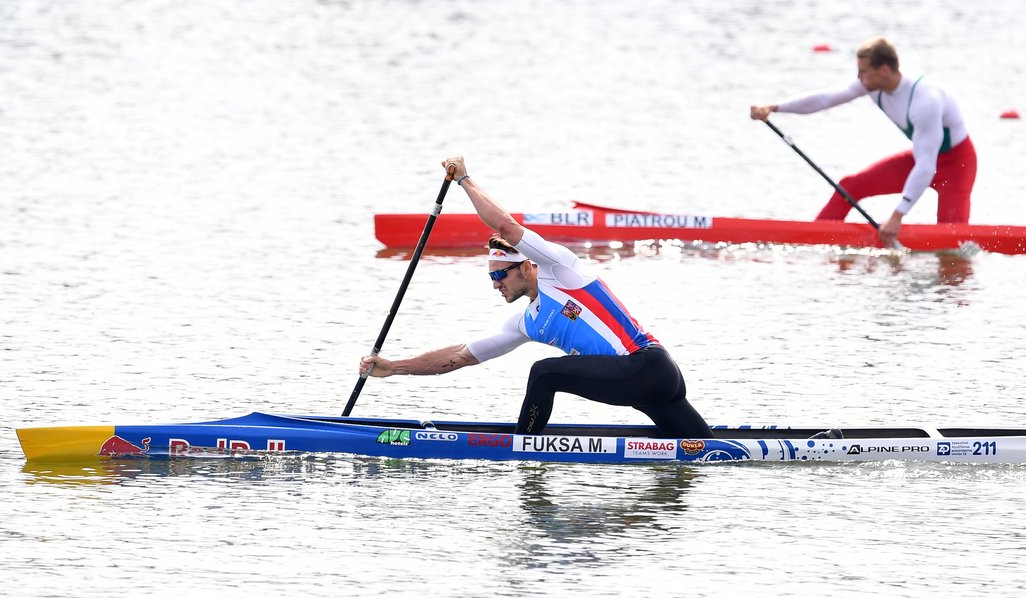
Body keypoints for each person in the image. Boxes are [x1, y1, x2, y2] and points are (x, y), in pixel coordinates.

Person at [358, 157, 713, 439]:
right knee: (709, 451)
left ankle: (524, 448)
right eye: (491, 278)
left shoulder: (559, 270)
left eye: (501, 274)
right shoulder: (525, 322)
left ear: (526, 266)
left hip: (646, 365)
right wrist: (395, 368)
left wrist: (464, 179)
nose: (496, 284)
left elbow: (507, 227)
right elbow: (460, 356)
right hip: (647, 386)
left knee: (543, 373)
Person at [749, 37, 977, 244]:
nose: (859, 77)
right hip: (921, 157)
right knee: (850, 186)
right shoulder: (873, 85)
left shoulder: (925, 100)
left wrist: (897, 216)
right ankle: (813, 239)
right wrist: (775, 107)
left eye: (864, 71)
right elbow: (824, 99)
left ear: (885, 70)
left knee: (954, 240)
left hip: (957, 165)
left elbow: (927, 167)